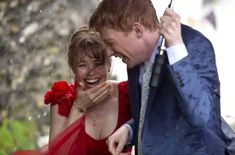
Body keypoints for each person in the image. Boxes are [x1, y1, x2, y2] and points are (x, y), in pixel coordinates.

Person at [89, 0, 235, 154]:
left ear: (137, 30)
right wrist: (129, 130)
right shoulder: (134, 59)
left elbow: (203, 117)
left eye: (110, 43)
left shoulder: (195, 45)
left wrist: (177, 50)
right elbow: (160, 112)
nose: (109, 52)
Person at [12, 26, 132, 155]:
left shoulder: (127, 94)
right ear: (73, 68)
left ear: (109, 65)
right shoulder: (62, 98)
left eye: (97, 64)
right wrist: (79, 106)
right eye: (82, 65)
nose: (91, 72)